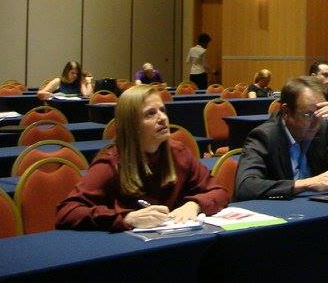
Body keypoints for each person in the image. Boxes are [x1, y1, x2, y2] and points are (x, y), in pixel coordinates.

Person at [55, 86, 229, 231]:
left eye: (162, 110)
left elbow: (219, 192)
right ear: (132, 124)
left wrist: (195, 204)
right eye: (150, 114)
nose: (162, 118)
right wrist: (127, 218)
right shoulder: (110, 163)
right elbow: (67, 212)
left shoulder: (179, 153)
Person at [234, 76, 328, 201]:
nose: (316, 123)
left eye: (320, 113)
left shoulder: (321, 130)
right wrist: (306, 184)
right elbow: (246, 186)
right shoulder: (264, 136)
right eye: (308, 114)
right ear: (286, 112)